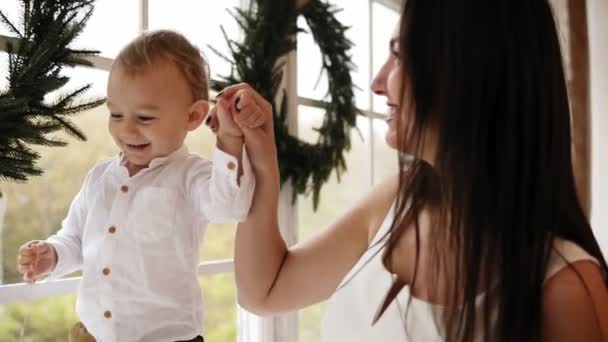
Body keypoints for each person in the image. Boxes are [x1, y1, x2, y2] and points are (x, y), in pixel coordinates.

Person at [232, 1, 608, 341]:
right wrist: (260, 160)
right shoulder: (399, 199)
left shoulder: (567, 289)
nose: (378, 83)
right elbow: (265, 290)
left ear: (469, 68)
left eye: (399, 55)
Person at [16, 30, 266, 342]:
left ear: (193, 115)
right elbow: (77, 240)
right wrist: (52, 254)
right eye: (116, 114)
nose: (127, 128)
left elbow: (231, 205)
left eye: (145, 117)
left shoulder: (191, 177)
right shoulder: (99, 178)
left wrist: (230, 138)